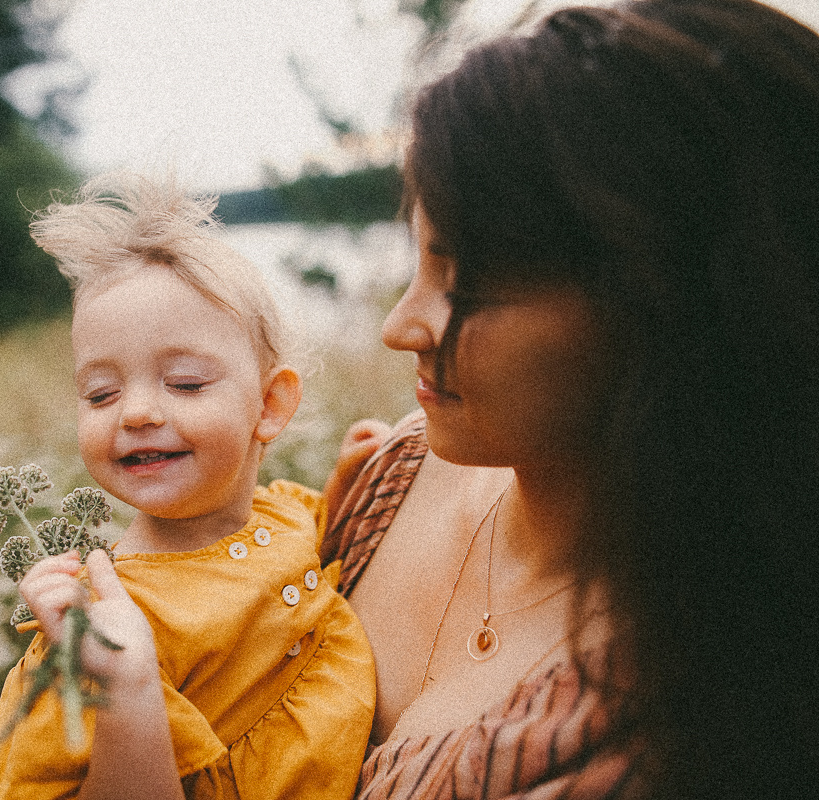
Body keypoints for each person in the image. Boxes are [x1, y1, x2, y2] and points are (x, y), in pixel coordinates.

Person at [321, 0, 819, 798]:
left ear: (667, 298)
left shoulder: (702, 717)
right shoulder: (393, 471)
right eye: (417, 260)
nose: (400, 326)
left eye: (463, 282)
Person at [0, 173, 377, 800]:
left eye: (184, 383)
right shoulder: (104, 625)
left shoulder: (287, 512)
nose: (134, 413)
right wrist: (124, 691)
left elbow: (332, 550)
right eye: (100, 393)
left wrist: (358, 474)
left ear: (270, 405)